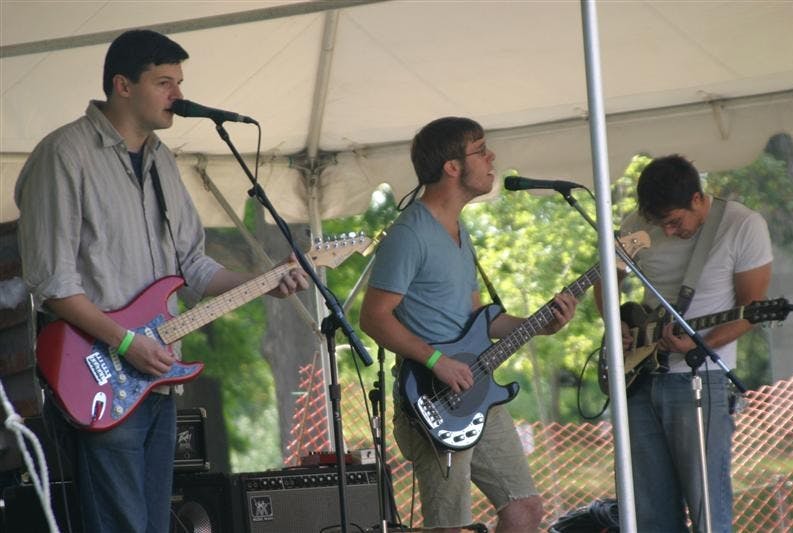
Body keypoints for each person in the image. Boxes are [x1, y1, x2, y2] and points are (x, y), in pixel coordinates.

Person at [14, 29, 308, 532]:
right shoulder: (64, 154)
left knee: (153, 524)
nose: (178, 95)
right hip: (97, 373)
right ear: (123, 85)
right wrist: (127, 343)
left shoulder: (162, 161)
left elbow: (193, 266)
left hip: (156, 376)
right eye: (164, 82)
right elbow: (53, 284)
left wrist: (265, 280)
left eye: (180, 82)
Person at [359, 117, 578, 532]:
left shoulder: (460, 229)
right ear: (452, 167)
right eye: (480, 150)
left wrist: (541, 325)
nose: (491, 157)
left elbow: (480, 322)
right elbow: (373, 317)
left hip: (477, 392)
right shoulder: (409, 233)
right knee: (450, 526)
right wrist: (437, 361)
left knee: (524, 508)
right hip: (431, 399)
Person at [594, 155, 772, 532]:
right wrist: (615, 323)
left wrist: (700, 345)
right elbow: (605, 280)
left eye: (675, 222)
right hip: (639, 377)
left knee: (707, 507)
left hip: (700, 378)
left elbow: (752, 310)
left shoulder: (743, 225)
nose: (668, 231)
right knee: (649, 511)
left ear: (696, 198)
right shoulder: (636, 224)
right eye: (660, 223)